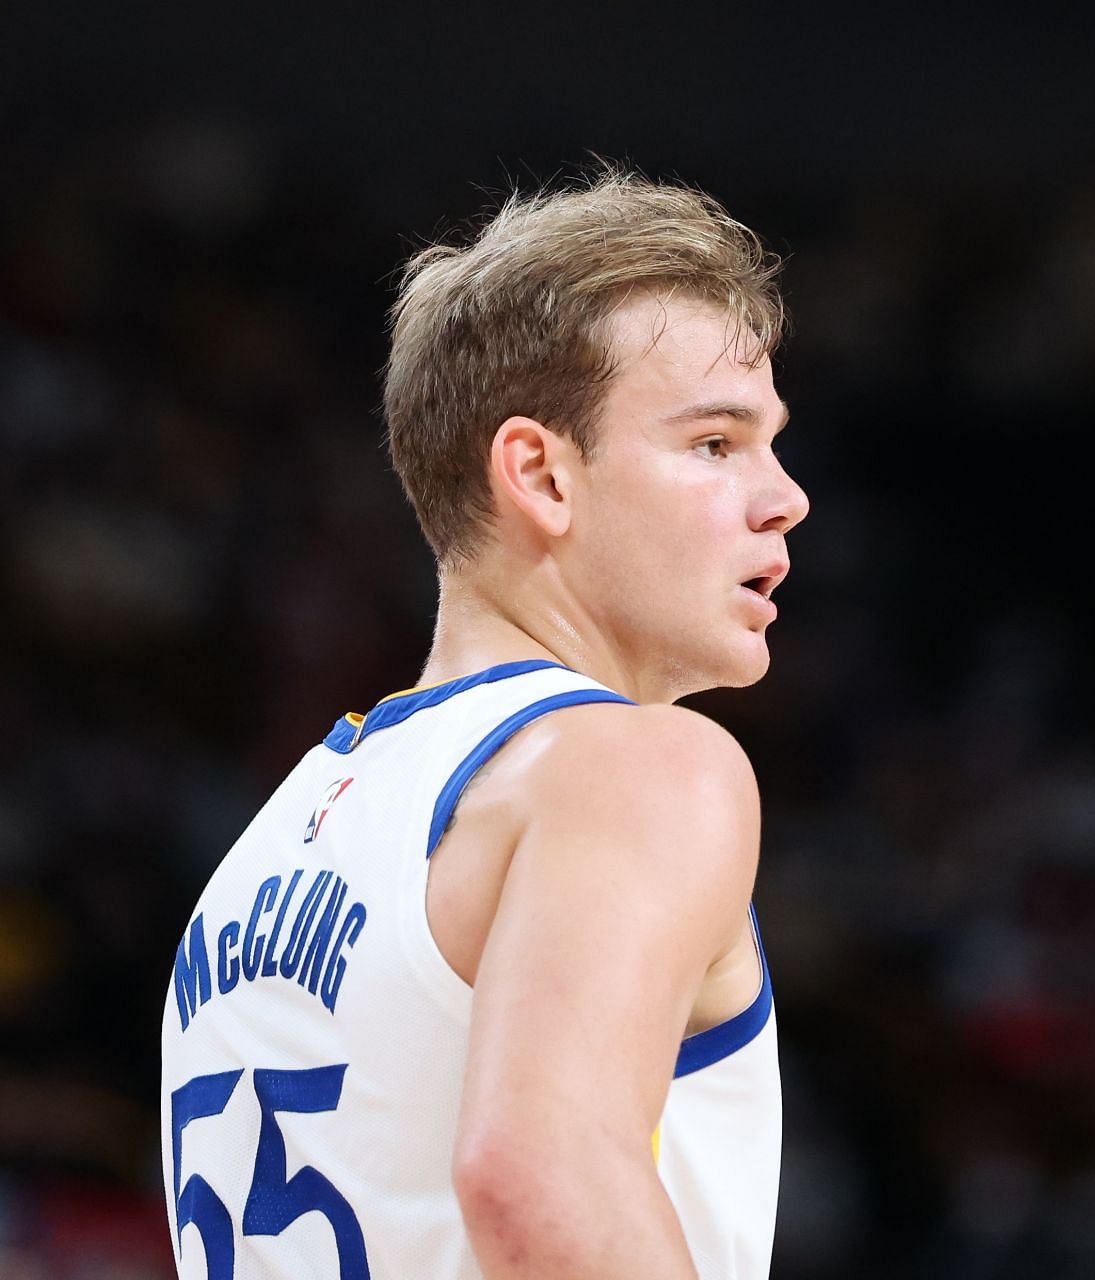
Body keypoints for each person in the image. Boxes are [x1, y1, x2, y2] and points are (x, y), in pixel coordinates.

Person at [159, 168, 808, 1279]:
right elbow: (537, 1178)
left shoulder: (271, 842)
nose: (783, 494)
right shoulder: (638, 765)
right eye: (715, 443)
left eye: (771, 441)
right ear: (541, 474)